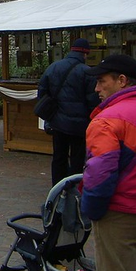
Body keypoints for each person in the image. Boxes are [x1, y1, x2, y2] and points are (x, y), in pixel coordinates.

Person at [81, 54, 136, 271]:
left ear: (121, 80)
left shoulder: (107, 120)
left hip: (120, 212)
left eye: (101, 81)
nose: (97, 88)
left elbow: (100, 175)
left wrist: (91, 210)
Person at [37, 38, 99, 185]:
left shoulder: (53, 67)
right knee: (77, 158)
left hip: (57, 122)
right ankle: (73, 188)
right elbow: (93, 101)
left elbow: (42, 93)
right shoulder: (87, 72)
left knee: (59, 157)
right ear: (85, 54)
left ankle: (57, 188)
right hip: (80, 124)